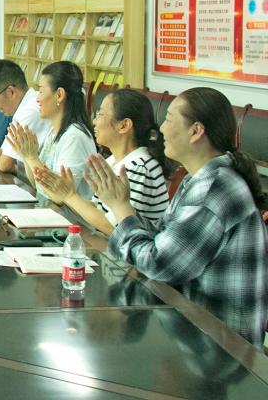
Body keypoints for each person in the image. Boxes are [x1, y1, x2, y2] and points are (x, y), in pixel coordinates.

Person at [88, 87, 267, 345]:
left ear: (196, 131)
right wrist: (121, 205)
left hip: (221, 346)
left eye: (169, 120)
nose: (161, 129)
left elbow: (158, 262)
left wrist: (122, 209)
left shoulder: (213, 189)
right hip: (196, 329)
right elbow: (163, 236)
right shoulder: (200, 179)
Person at [33, 88, 169, 234]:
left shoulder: (140, 167)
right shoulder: (114, 160)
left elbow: (116, 228)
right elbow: (98, 209)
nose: (94, 121)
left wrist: (70, 196)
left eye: (100, 114)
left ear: (124, 125)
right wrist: (66, 194)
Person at [4, 61, 97, 199]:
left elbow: (60, 197)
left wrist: (32, 157)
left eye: (41, 91)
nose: (37, 99)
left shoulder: (75, 137)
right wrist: (27, 155)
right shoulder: (55, 131)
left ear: (59, 94)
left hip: (67, 212)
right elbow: (38, 186)